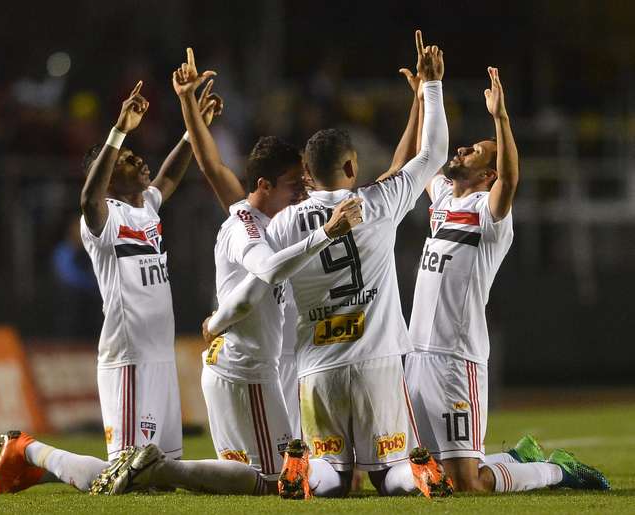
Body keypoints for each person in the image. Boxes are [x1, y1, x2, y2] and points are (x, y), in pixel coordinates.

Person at [205, 30, 448, 498]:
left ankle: (304, 473)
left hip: (317, 370)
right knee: (388, 470)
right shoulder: (377, 202)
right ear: (353, 169)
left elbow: (261, 277)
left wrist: (217, 319)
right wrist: (431, 88)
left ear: (307, 177)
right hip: (376, 359)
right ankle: (414, 475)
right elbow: (431, 153)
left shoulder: (286, 223)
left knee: (333, 478)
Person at [381, 66, 610, 495]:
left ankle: (555, 471)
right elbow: (422, 156)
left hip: (455, 358)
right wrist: (424, 98)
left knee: (467, 485)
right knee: (427, 473)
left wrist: (500, 119)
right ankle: (517, 459)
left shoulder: (490, 213)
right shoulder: (445, 198)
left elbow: (511, 178)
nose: (464, 149)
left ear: (488, 174)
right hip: (415, 355)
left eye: (476, 152)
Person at [0, 79, 222, 494]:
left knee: (161, 477)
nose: (142, 163)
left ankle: (33, 457)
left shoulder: (146, 207)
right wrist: (120, 131)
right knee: (125, 477)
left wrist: (193, 129)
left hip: (160, 354)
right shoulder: (102, 217)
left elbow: (170, 173)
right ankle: (28, 450)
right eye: (130, 160)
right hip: (128, 354)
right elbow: (88, 198)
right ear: (112, 177)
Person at [170, 48, 364, 484]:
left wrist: (188, 106)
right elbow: (267, 272)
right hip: (246, 368)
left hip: (269, 365)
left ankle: (162, 470)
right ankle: (162, 471)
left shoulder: (265, 217)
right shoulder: (247, 229)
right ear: (264, 185)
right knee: (280, 482)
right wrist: (326, 234)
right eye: (295, 185)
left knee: (274, 478)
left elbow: (211, 164)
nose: (302, 194)